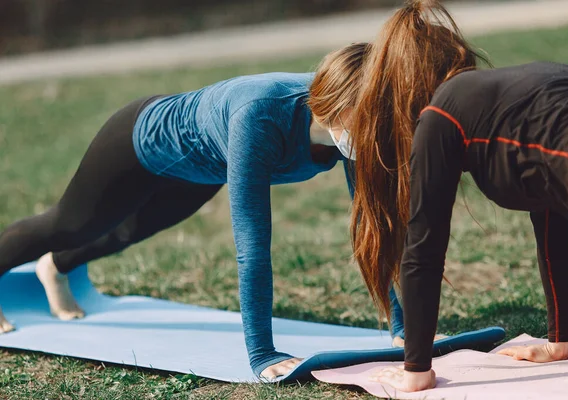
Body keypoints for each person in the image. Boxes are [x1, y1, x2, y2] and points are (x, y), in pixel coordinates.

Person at [0, 43, 411, 380]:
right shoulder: (261, 117)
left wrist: (401, 327)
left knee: (127, 233)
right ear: (335, 106)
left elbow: (373, 225)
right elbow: (253, 247)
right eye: (371, 117)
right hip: (139, 139)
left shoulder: (355, 130)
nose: (380, 128)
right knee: (69, 225)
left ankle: (56, 267)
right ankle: (49, 255)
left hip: (202, 166)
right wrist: (263, 353)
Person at [349, 0, 568, 393]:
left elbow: (423, 250)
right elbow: (553, 224)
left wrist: (416, 369)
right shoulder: (527, 92)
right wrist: (559, 342)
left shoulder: (443, 114)